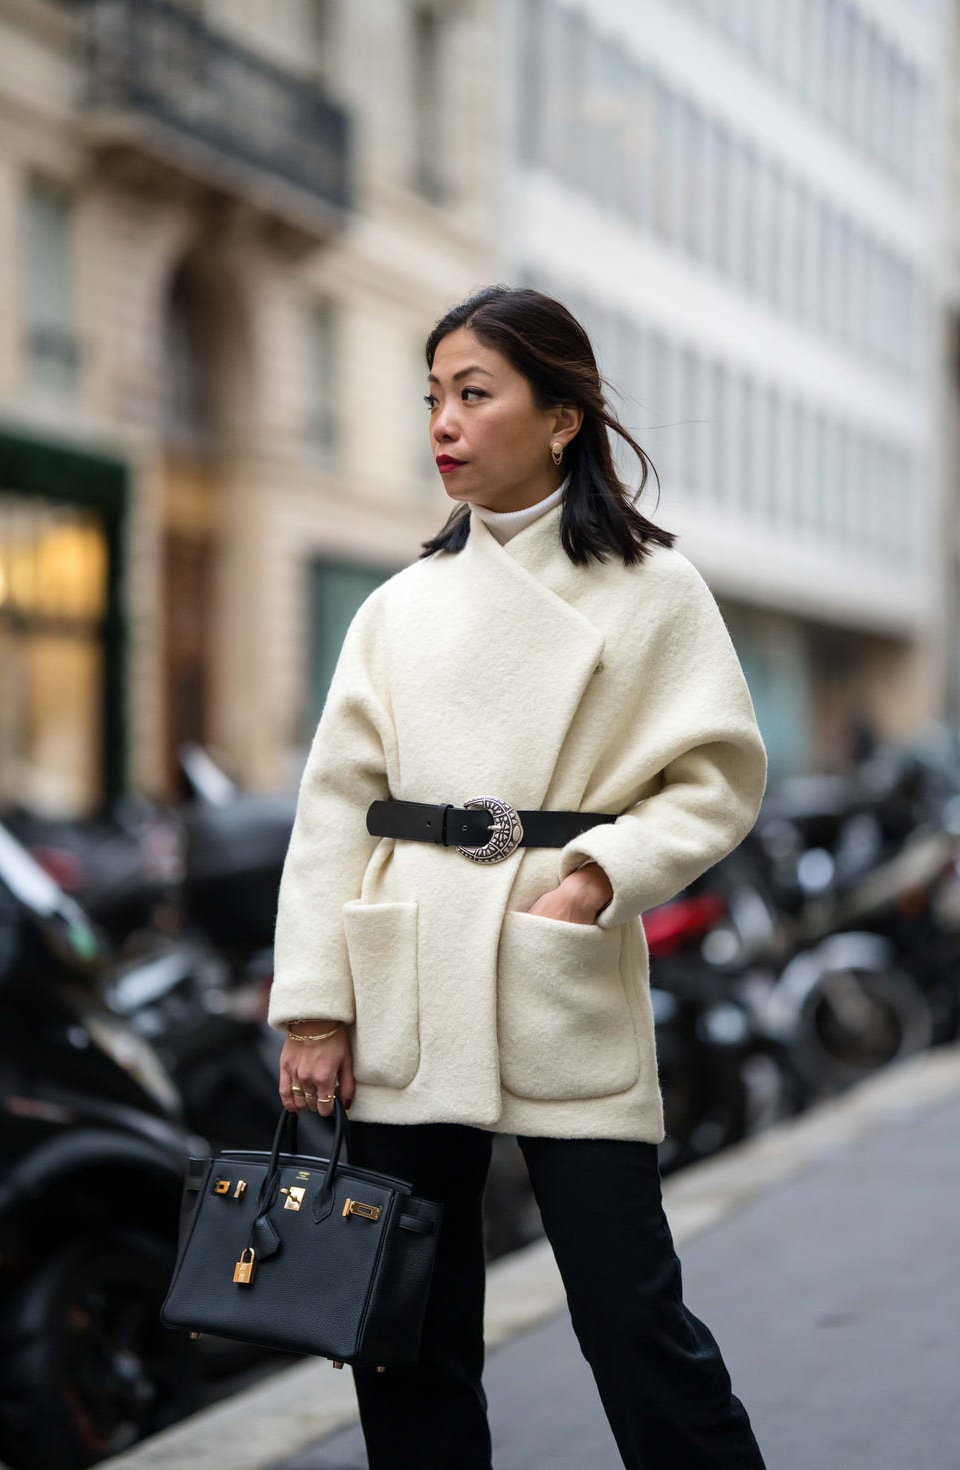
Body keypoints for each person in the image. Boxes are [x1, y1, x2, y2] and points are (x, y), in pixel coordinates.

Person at [269, 285, 769, 1470]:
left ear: (561, 416)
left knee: (630, 1313)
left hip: (556, 963)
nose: (441, 421)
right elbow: (334, 806)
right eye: (432, 398)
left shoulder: (655, 591)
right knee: (406, 1333)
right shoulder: (397, 607)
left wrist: (597, 876)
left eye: (472, 394)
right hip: (407, 973)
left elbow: (716, 777)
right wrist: (314, 1005)